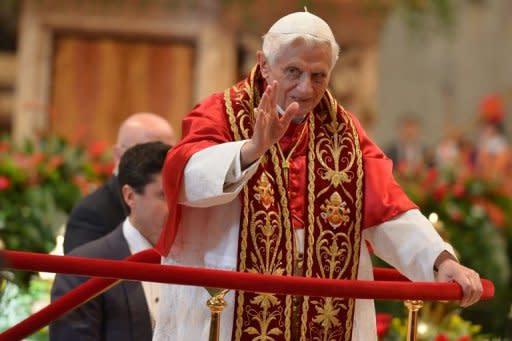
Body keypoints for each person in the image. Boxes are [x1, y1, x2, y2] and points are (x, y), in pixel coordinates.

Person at [153, 11, 483, 341]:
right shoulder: (221, 111)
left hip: (320, 312)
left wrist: (441, 261)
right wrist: (251, 150)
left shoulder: (344, 132)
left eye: (318, 76)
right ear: (265, 64)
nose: (305, 88)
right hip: (231, 307)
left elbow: (387, 206)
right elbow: (184, 178)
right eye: (293, 71)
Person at [50, 141, 171, 341]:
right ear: (130, 196)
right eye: (164, 196)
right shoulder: (82, 268)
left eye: (181, 194)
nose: (177, 207)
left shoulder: (196, 257)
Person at [63, 112, 176, 254]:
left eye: (168, 151)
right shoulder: (92, 212)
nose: (161, 159)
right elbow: (81, 267)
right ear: (118, 154)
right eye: (145, 152)